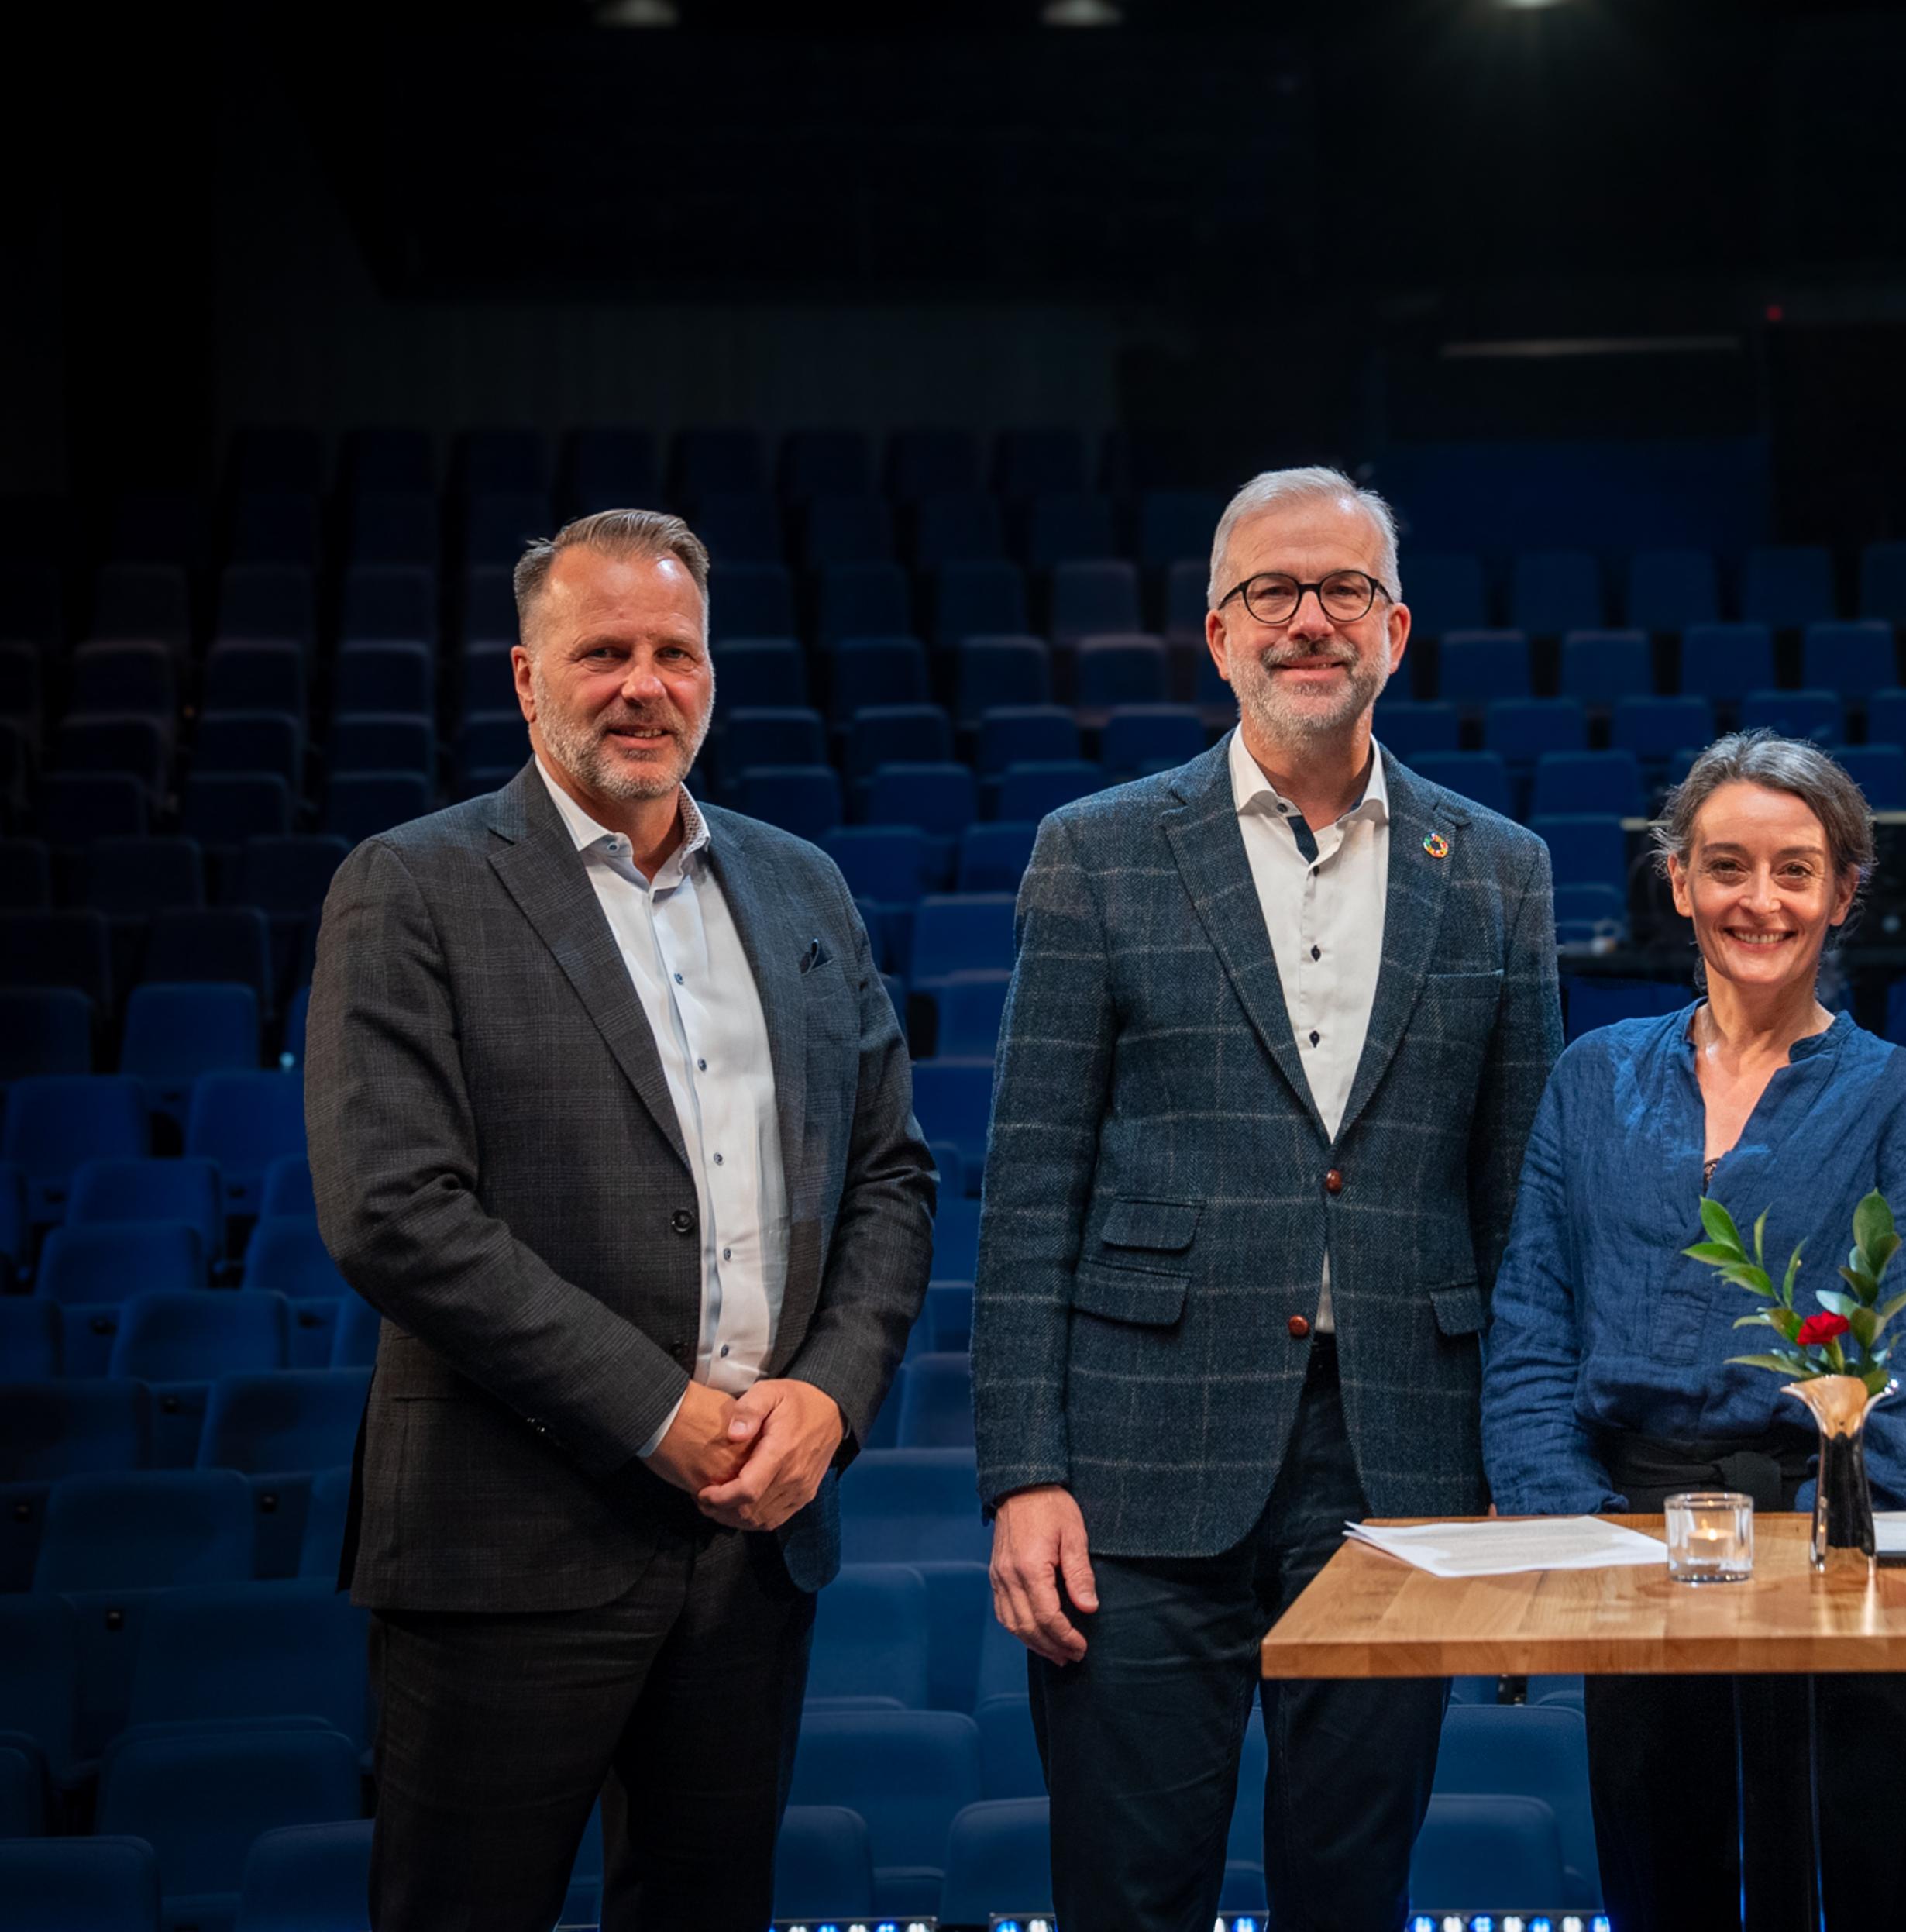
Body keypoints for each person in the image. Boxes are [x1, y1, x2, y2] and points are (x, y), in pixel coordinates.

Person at [305, 508, 936, 1931]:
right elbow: (392, 1211)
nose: (644, 684)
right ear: (527, 679)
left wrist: (829, 1401)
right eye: (603, 653)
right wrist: (659, 1410)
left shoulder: (801, 886)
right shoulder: (410, 886)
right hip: (504, 1545)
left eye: (675, 652)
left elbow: (891, 1177)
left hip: (752, 1549)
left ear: (711, 674)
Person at [972, 466, 1564, 1931]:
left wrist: (1521, 1463)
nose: (1311, 621)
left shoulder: (1501, 871)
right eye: (1273, 595)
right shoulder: (1095, 852)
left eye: (1344, 590)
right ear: (1220, 635)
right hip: (1133, 1461)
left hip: (1403, 1464)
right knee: (1126, 1892)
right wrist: (1022, 1472)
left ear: (1398, 630)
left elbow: (1524, 1207)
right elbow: (1030, 1181)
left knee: (1352, 1895)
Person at [1485, 731, 1906, 1932]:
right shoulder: (1591, 1077)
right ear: (1679, 882)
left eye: (1796, 871)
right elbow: (1531, 1332)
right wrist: (1584, 1538)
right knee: (1669, 1899)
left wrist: (1825, 1554)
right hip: (1639, 1561)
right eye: (1728, 867)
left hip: (1841, 1567)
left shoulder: (1903, 1100)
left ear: (1844, 893)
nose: (1759, 901)